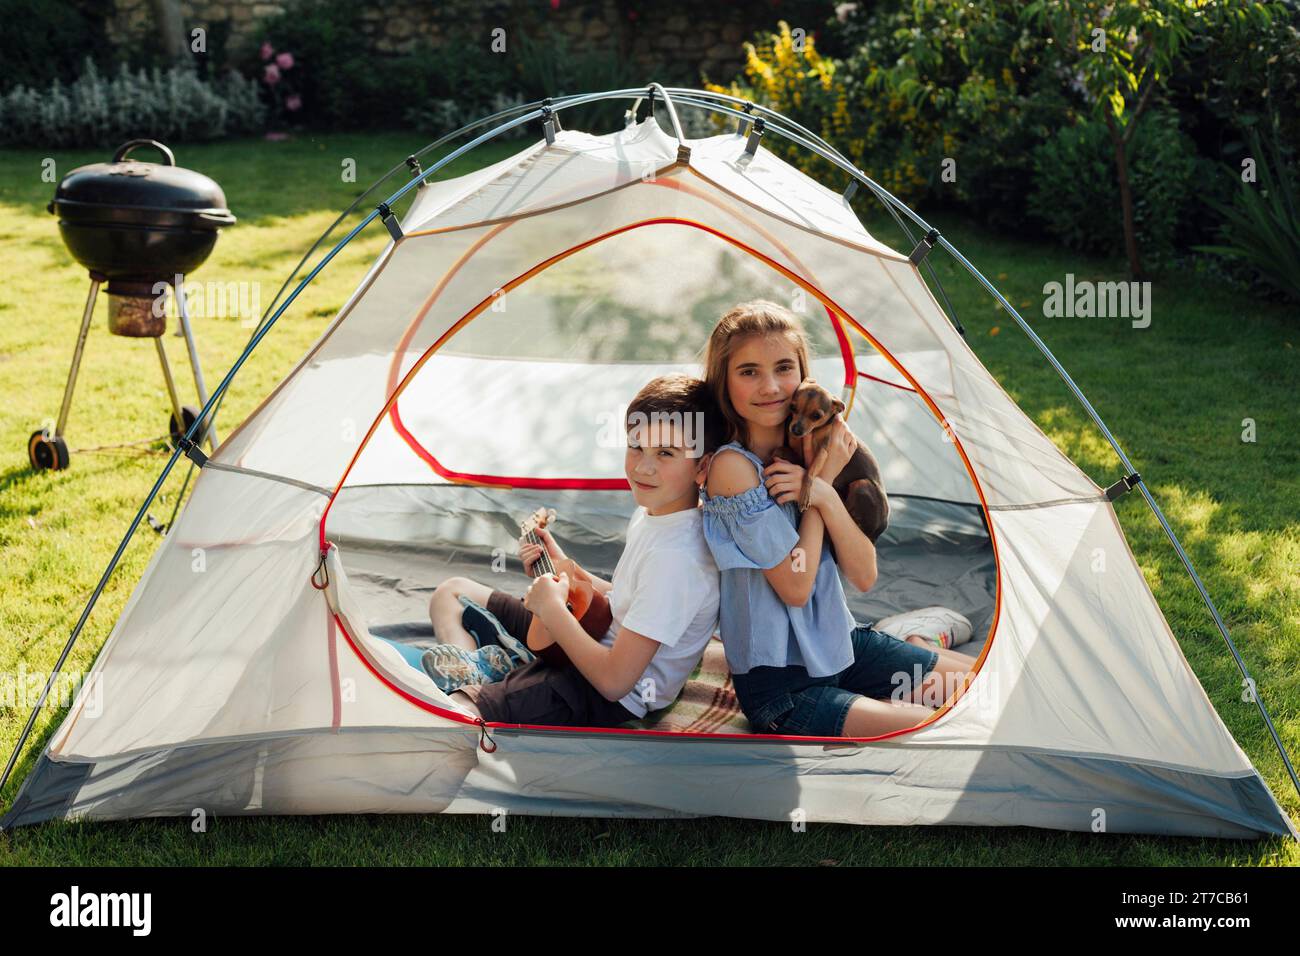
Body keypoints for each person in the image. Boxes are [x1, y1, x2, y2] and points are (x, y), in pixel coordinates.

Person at [700, 299, 973, 737]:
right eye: (748, 371)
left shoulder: (820, 444)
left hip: (841, 646)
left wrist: (823, 491)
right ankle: (912, 647)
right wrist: (818, 487)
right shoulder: (733, 470)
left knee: (986, 692)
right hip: (786, 688)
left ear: (803, 373)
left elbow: (864, 576)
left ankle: (913, 641)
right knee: (949, 730)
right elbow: (795, 586)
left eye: (784, 367)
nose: (770, 385)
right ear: (724, 382)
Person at [425, 374, 725, 728]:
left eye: (665, 453)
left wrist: (552, 610)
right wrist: (565, 567)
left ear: (702, 466)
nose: (644, 467)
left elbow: (614, 683)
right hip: (592, 632)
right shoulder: (654, 510)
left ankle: (484, 683)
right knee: (452, 593)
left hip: (599, 694)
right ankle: (483, 669)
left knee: (455, 715)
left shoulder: (678, 559)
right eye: (636, 447)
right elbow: (628, 598)